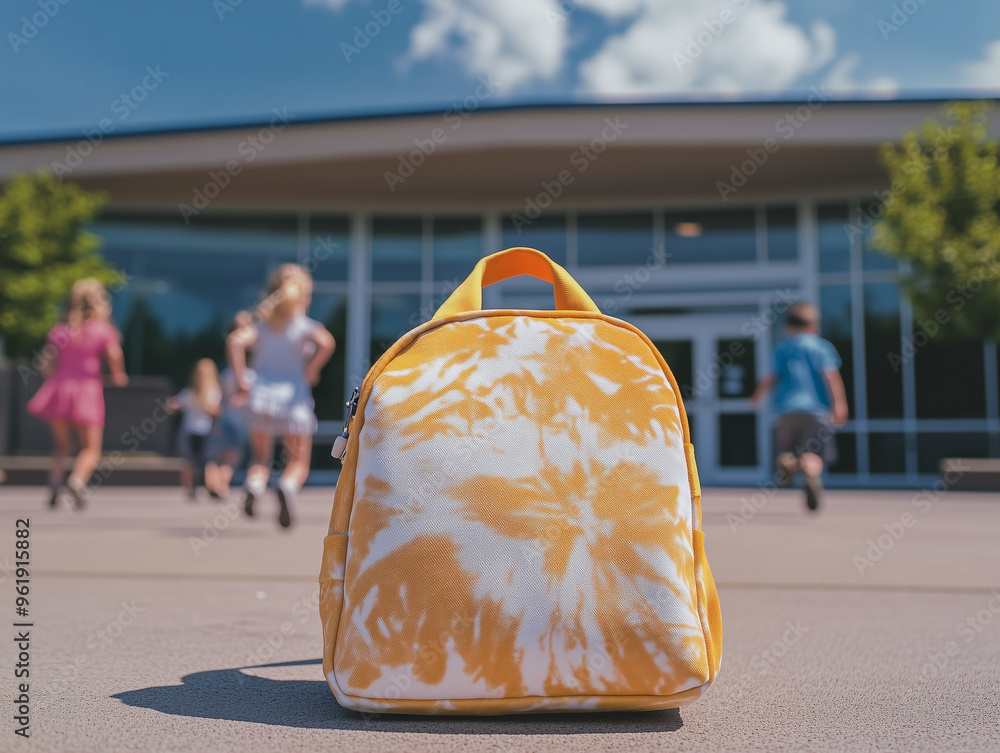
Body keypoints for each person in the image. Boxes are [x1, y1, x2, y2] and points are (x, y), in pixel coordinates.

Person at [228, 265, 335, 528]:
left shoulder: (262, 327)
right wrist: (311, 370)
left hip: (261, 398)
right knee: (298, 461)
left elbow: (234, 342)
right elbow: (327, 342)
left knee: (259, 458)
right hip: (293, 400)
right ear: (303, 296)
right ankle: (287, 485)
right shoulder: (303, 326)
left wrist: (241, 379)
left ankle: (255, 485)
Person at [27, 278, 128, 509]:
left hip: (61, 390)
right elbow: (114, 355)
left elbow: (45, 362)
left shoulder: (62, 331)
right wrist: (118, 376)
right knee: (91, 448)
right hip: (87, 391)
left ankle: (54, 483)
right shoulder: (102, 330)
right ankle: (77, 480)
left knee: (62, 446)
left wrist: (57, 376)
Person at [750, 302, 848, 512]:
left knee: (787, 450)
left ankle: (788, 462)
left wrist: (757, 398)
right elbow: (831, 377)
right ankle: (810, 474)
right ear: (814, 326)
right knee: (815, 454)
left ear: (787, 327)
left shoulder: (781, 349)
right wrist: (839, 404)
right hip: (816, 411)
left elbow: (769, 379)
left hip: (786, 412)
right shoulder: (821, 347)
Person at [204, 312, 254, 501]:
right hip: (241, 422)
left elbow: (219, 399)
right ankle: (222, 485)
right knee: (233, 459)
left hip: (225, 419)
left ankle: (213, 483)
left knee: (217, 456)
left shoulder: (226, 374)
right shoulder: (252, 375)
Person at [166, 359, 222, 500]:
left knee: (189, 461)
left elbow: (174, 405)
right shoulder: (214, 392)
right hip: (205, 430)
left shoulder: (188, 392)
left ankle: (189, 488)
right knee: (209, 460)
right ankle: (213, 486)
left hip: (188, 430)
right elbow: (215, 410)